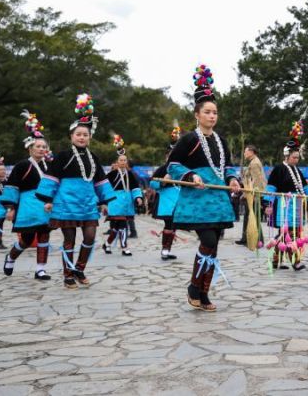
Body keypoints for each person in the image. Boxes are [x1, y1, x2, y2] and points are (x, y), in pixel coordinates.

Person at [168, 63, 241, 310]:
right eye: (207, 112)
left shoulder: (221, 141)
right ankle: (193, 286)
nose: (212, 116)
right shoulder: (189, 139)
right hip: (197, 201)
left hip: (218, 200)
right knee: (208, 239)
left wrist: (232, 179)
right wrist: (190, 175)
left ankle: (203, 291)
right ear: (197, 115)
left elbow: (228, 166)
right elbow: (173, 165)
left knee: (214, 244)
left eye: (215, 112)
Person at [36, 94, 115, 289]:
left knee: (90, 237)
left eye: (85, 135)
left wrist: (104, 201)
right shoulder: (63, 156)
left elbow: (100, 181)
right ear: (71, 136)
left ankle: (79, 268)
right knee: (69, 239)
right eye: (78, 134)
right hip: (66, 203)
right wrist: (48, 199)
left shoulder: (93, 157)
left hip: (88, 203)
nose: (82, 137)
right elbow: (52, 178)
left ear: (90, 137)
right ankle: (68, 274)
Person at [1, 110, 53, 280]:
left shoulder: (50, 166)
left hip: (46, 206)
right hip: (28, 205)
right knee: (27, 239)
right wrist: (10, 207)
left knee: (44, 235)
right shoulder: (22, 165)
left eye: (44, 146)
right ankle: (11, 257)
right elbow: (12, 186)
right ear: (30, 148)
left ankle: (40, 269)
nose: (41, 149)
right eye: (38, 146)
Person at [265, 121, 308, 271]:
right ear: (287, 156)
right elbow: (271, 187)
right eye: (294, 157)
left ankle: (275, 260)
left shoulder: (297, 171)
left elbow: (305, 188)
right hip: (284, 205)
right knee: (288, 233)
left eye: (297, 158)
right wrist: (268, 204)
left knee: (286, 234)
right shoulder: (279, 169)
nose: (296, 160)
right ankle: (295, 261)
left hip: (297, 205)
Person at [102, 135, 143, 257]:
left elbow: (135, 188)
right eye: (121, 160)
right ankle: (121, 246)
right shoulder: (111, 175)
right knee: (120, 226)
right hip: (115, 202)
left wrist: (138, 197)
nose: (123, 162)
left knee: (119, 227)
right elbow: (104, 189)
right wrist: (104, 203)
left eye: (125, 160)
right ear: (117, 162)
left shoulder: (131, 175)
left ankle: (110, 245)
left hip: (127, 202)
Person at [150, 122, 182, 260]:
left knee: (173, 225)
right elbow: (152, 183)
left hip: (179, 201)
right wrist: (163, 182)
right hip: (166, 201)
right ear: (167, 156)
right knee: (169, 224)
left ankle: (167, 250)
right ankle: (164, 250)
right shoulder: (163, 169)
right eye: (170, 155)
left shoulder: (182, 168)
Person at [235, 144, 266, 246]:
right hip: (251, 193)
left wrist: (248, 193)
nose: (244, 153)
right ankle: (246, 238)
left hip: (253, 194)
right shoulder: (253, 162)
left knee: (253, 216)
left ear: (251, 152)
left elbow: (256, 181)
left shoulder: (254, 163)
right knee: (248, 216)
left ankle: (257, 239)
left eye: (246, 151)